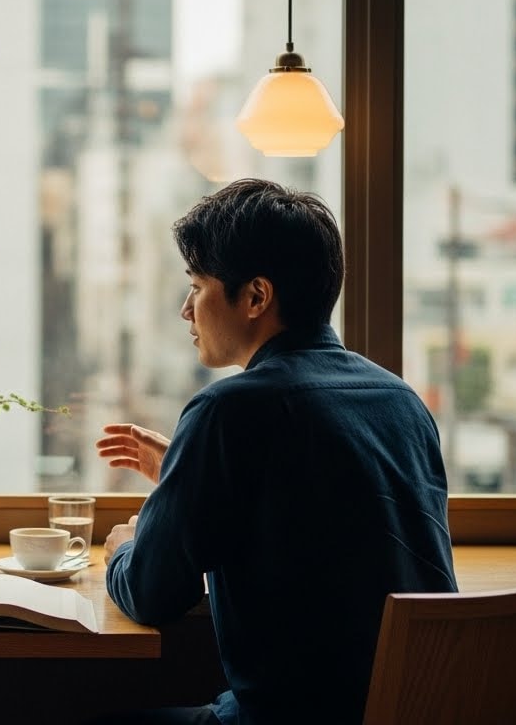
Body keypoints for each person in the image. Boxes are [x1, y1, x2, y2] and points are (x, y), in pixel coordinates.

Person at [93, 179, 457, 725]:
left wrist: (126, 543)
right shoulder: (400, 400)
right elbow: (322, 508)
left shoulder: (229, 410)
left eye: (197, 286)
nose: (185, 310)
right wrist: (183, 470)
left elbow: (151, 593)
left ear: (256, 296)